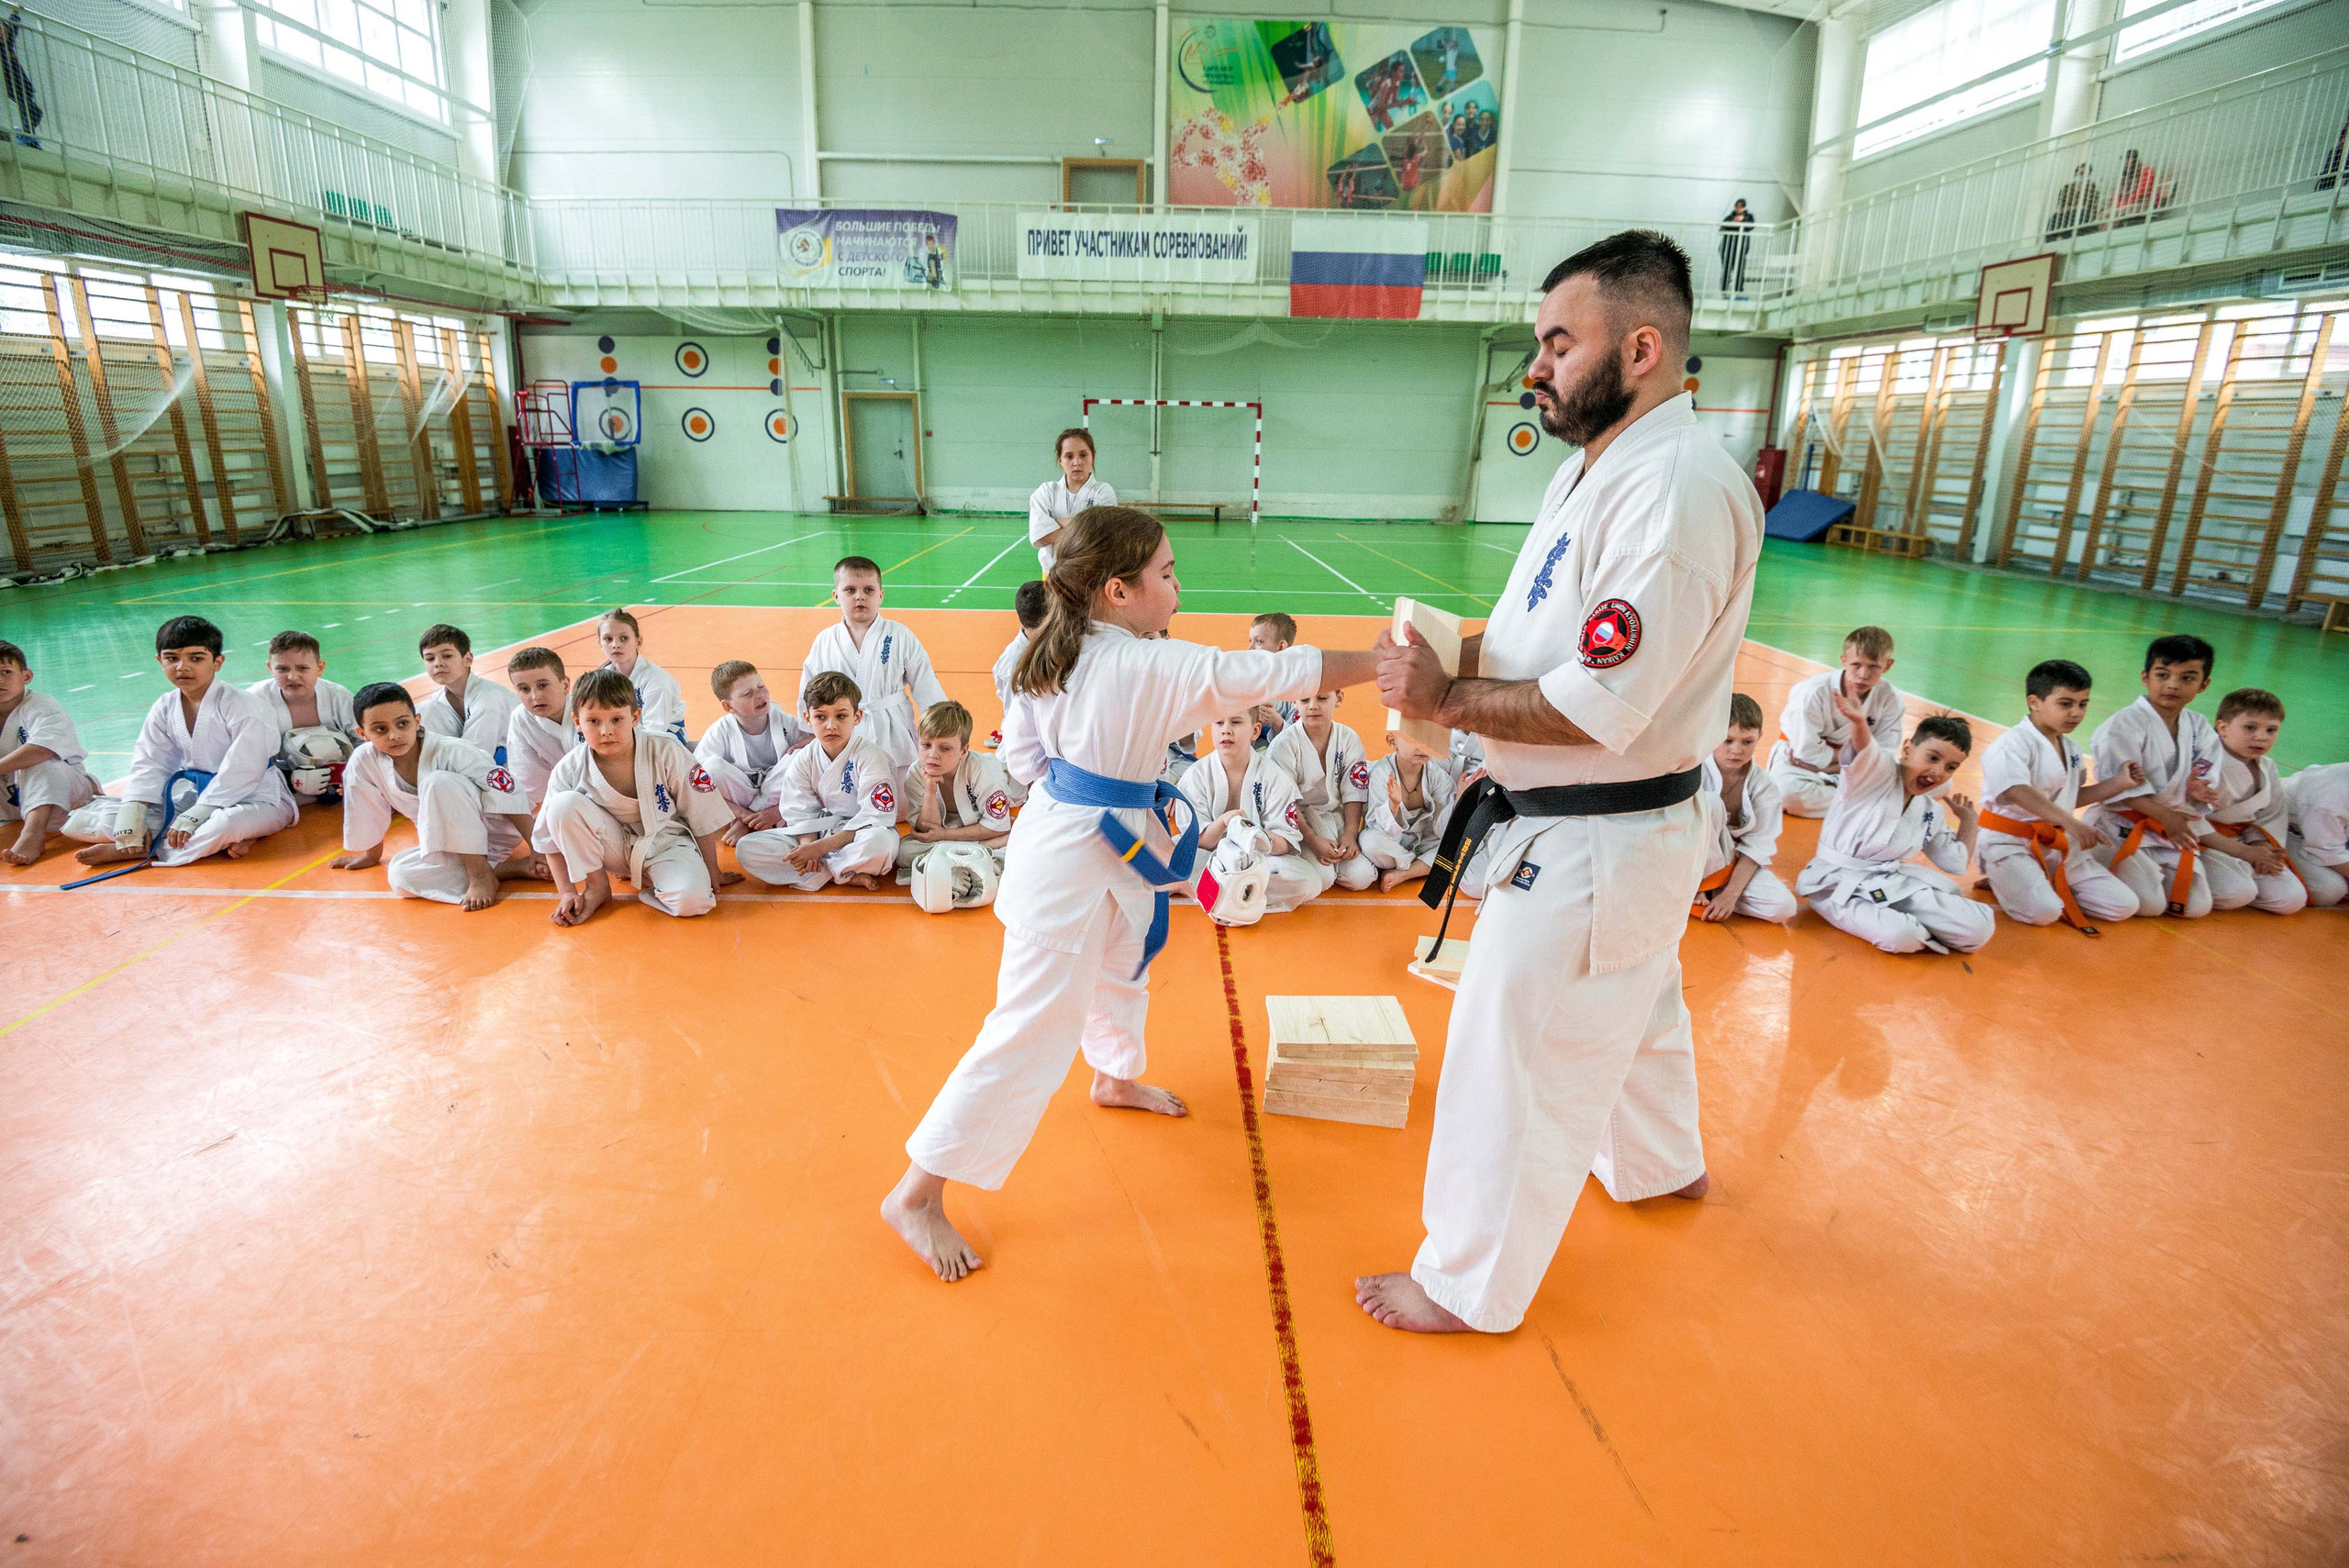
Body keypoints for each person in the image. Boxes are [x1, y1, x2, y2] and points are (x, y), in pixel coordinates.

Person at [1357, 229, 1762, 1335]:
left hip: (1597, 834)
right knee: (1639, 999)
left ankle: (1464, 1283)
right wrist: (1450, 650)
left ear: (1638, 348)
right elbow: (1547, 639)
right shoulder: (1597, 469)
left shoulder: (1672, 490)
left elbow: (1594, 704)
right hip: (1604, 826)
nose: (1534, 366)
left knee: (1513, 1050)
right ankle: (1659, 1162)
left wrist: (1443, 700)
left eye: (1554, 341)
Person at [882, 505, 1375, 1283]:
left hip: (1094, 827)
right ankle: (917, 1192)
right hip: (1075, 850)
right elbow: (1274, 673)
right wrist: (1384, 662)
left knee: (1123, 956)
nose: (1179, 588)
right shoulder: (1147, 665)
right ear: (1117, 588)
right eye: (1167, 574)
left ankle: (1113, 1073)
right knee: (1028, 1026)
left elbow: (1021, 758)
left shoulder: (1045, 650)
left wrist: (1091, 792)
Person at [64, 616, 298, 869]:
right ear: (159, 661)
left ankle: (147, 850)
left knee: (222, 825)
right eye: (172, 658)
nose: (182, 667)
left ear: (217, 662)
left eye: (196, 659)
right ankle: (173, 841)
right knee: (113, 819)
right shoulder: (165, 707)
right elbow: (151, 762)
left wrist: (201, 812)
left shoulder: (244, 706)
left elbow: (245, 769)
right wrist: (135, 806)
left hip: (259, 799)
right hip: (197, 796)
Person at [532, 669, 737, 925]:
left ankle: (652, 878)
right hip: (611, 849)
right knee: (562, 806)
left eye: (616, 719)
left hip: (665, 843)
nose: (606, 731)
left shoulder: (665, 749)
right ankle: (598, 887)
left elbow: (700, 811)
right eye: (593, 721)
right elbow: (547, 840)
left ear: (635, 716)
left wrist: (711, 869)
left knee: (693, 902)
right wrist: (567, 893)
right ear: (577, 722)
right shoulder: (570, 767)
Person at [1795, 701, 1990, 955]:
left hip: (1889, 883)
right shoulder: (1875, 776)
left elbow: (1955, 862)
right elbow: (1864, 751)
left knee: (1979, 928)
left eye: (1951, 767)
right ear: (1908, 748)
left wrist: (1970, 822)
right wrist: (1859, 723)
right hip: (1835, 884)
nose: (1938, 771)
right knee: (1901, 936)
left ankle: (1919, 927)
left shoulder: (1930, 810)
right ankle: (1920, 929)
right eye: (1932, 757)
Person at [333, 682, 540, 910]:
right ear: (363, 734)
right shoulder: (363, 762)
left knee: (438, 782)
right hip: (444, 841)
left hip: (493, 829)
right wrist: (372, 855)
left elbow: (507, 792)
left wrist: (538, 851)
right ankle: (507, 869)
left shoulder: (452, 750)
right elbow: (366, 809)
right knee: (400, 875)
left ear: (417, 721)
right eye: (380, 729)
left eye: (403, 724)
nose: (394, 735)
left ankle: (481, 874)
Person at [1975, 659, 2143, 932]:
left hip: (2055, 843)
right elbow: (2017, 791)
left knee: (2123, 905)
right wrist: (2073, 824)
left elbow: (2067, 799)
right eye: (2065, 704)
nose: (2076, 713)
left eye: (2083, 704)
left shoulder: (2073, 750)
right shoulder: (2011, 744)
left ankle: (2029, 882)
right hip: (2009, 842)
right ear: (2035, 701)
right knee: (2045, 911)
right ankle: (2004, 877)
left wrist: (2119, 782)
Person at [2089, 634, 2223, 919]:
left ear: (2203, 685)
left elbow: (2205, 766)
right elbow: (2119, 788)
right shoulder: (2124, 724)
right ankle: (2090, 859)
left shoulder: (2198, 725)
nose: (2173, 684)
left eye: (2187, 678)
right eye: (2163, 675)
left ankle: (2138, 869)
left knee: (2195, 908)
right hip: (2122, 825)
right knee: (2149, 906)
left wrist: (2198, 786)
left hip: (2168, 830)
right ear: (2145, 677)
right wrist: (2168, 817)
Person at [736, 671, 898, 892]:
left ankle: (825, 873)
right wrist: (807, 845)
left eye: (841, 716)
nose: (831, 725)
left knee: (881, 844)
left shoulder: (871, 756)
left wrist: (819, 849)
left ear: (857, 717)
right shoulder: (803, 759)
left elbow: (876, 817)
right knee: (747, 848)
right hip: (821, 831)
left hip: (860, 834)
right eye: (821, 717)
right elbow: (800, 813)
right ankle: (841, 873)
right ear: (807, 718)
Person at [798, 555, 947, 775]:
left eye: (868, 590)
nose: (860, 597)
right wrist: (809, 732)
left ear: (881, 595)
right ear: (836, 596)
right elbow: (809, 692)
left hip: (893, 732)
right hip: (842, 731)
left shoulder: (900, 635)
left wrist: (940, 733)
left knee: (901, 796)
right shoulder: (824, 641)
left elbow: (926, 686)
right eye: (850, 590)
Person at [1180, 709, 1325, 914]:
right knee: (1170, 859)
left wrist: (1255, 835)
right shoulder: (1195, 776)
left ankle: (1221, 894)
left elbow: (1285, 842)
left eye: (1236, 722)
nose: (1226, 731)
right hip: (1211, 859)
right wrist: (1222, 822)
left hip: (1257, 861)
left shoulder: (1274, 777)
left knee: (1309, 880)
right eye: (1219, 723)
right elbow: (1198, 840)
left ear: (1255, 731)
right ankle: (1244, 896)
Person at [1766, 626, 1903, 818]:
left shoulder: (1890, 699)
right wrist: (1857, 756)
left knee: (1924, 781)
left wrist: (1826, 767)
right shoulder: (1812, 692)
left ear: (1888, 665)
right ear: (1844, 660)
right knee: (1787, 792)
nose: (1863, 674)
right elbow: (1805, 753)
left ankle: (1845, 797)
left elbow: (1883, 756)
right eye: (1857, 664)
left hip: (1844, 768)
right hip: (1797, 765)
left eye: (1874, 666)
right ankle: (1862, 803)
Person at [1691, 693, 1796, 924]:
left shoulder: (1764, 786)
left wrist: (1731, 894)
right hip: (1685, 859)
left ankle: (1709, 892)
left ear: (1759, 737)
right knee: (1709, 803)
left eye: (1747, 741)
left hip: (1731, 863)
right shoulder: (1691, 770)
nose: (1737, 750)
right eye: (1728, 740)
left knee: (1783, 907)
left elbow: (1758, 846)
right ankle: (1698, 887)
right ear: (1711, 735)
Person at [897, 699, 1016, 899]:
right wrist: (929, 790)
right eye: (926, 745)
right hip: (979, 839)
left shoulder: (983, 769)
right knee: (903, 852)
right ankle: (977, 856)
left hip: (979, 830)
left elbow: (999, 827)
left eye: (945, 748)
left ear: (963, 750)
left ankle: (949, 863)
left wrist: (944, 835)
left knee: (1016, 842)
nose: (933, 755)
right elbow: (927, 830)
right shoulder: (916, 773)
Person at [2200, 688, 2305, 916]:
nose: (2262, 737)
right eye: (2250, 727)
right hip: (2203, 843)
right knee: (2238, 893)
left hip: (2244, 841)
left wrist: (2262, 848)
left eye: (2271, 730)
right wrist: (2243, 853)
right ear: (2223, 728)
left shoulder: (2267, 766)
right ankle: (2192, 885)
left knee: (2292, 899)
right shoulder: (2206, 764)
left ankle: (2230, 878)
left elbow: (2271, 815)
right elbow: (2188, 820)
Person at [0, 639, 100, 865]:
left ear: (26, 676)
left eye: (6, 672)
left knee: (41, 759)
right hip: (10, 801)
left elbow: (40, 751)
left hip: (61, 798)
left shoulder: (42, 705)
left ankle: (32, 836)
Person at [1267, 687, 1374, 892]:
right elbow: (1285, 803)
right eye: (1304, 700)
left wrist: (1351, 834)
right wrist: (1313, 840)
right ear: (1294, 702)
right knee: (1323, 879)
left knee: (1362, 877)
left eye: (1322, 698)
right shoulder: (1284, 745)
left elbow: (1354, 790)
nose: (1313, 706)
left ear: (1339, 698)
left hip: (1336, 818)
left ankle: (1335, 858)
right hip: (1297, 825)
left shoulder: (1348, 738)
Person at [696, 659, 807, 840]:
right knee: (711, 768)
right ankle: (755, 823)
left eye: (761, 686)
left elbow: (817, 761)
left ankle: (761, 823)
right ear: (728, 706)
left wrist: (774, 812)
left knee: (802, 755)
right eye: (747, 693)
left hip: (779, 805)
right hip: (742, 802)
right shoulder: (720, 731)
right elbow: (695, 786)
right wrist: (742, 815)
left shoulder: (785, 722)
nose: (760, 695)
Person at [247, 630, 356, 803]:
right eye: (282, 669)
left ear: (320, 668)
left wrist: (350, 774)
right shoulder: (255, 701)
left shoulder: (339, 697)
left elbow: (365, 743)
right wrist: (290, 780)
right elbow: (245, 757)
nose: (292, 677)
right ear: (270, 668)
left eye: (303, 668)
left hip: (343, 782)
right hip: (278, 786)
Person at [1359, 731, 1456, 893]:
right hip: (1392, 841)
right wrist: (1394, 806)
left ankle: (1404, 874)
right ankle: (1417, 865)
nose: (1423, 747)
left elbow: (1444, 829)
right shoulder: (1381, 773)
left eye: (1428, 740)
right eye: (1415, 739)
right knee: (1370, 842)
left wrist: (1457, 802)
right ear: (1392, 742)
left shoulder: (1439, 777)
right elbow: (1376, 826)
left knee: (1457, 845)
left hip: (1424, 840)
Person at [417, 623, 520, 760]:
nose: (437, 663)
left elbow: (473, 757)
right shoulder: (437, 701)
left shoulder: (489, 697)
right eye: (430, 658)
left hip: (516, 768)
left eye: (447, 656)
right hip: (474, 767)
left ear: (468, 659)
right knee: (425, 709)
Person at [1028, 428, 1115, 573]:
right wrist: (1084, 529)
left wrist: (1057, 522)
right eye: (1069, 456)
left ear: (1093, 457)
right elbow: (1039, 536)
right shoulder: (1046, 491)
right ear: (1060, 460)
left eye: (1083, 455)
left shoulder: (1103, 491)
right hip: (1052, 575)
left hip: (1091, 574)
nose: (1077, 462)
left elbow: (1102, 536)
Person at [597, 606, 687, 743]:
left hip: (664, 743)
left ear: (638, 642)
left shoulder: (656, 681)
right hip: (624, 739)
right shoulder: (601, 680)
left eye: (624, 638)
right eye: (608, 639)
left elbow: (655, 732)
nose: (615, 645)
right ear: (600, 644)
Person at [503, 647, 574, 810]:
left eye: (542, 685)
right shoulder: (521, 719)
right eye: (524, 689)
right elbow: (530, 783)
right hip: (567, 797)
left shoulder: (589, 706)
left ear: (565, 685)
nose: (535, 696)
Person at [2284, 760, 2348, 907]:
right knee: (2328, 889)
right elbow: (2328, 852)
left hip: (2331, 835)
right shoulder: (2331, 796)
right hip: (2286, 832)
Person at [3, 6, 43, 150]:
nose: (2, 34)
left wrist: (14, 12)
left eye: (3, 31)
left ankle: (25, 136)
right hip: (15, 87)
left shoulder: (8, 46)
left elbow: (13, 29)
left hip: (24, 86)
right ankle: (25, 136)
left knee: (31, 114)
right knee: (35, 113)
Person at [2047, 163, 2101, 240]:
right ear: (2076, 174)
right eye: (2081, 173)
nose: (2083, 176)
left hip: (2083, 215)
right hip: (2066, 215)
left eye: (2087, 175)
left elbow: (2090, 208)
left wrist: (2072, 208)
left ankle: (2070, 239)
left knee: (2078, 213)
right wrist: (2076, 207)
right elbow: (2060, 208)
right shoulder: (2066, 189)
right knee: (2053, 219)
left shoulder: (2092, 189)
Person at [1718, 198, 1753, 295]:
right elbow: (1723, 227)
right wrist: (1734, 222)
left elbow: (1750, 226)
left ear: (1744, 207)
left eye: (1741, 206)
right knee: (1726, 269)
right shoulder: (1730, 217)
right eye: (1737, 206)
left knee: (1740, 269)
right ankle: (1724, 290)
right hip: (1727, 247)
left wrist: (1741, 221)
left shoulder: (1748, 217)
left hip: (1741, 248)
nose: (1738, 208)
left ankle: (1739, 291)